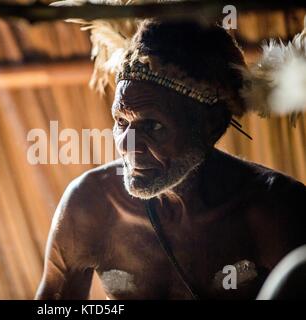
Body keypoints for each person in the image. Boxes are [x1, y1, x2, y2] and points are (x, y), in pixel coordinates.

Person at [35, 17, 306, 299]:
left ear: (210, 126)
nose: (129, 146)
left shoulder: (276, 211)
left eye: (153, 126)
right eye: (121, 121)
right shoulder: (90, 205)